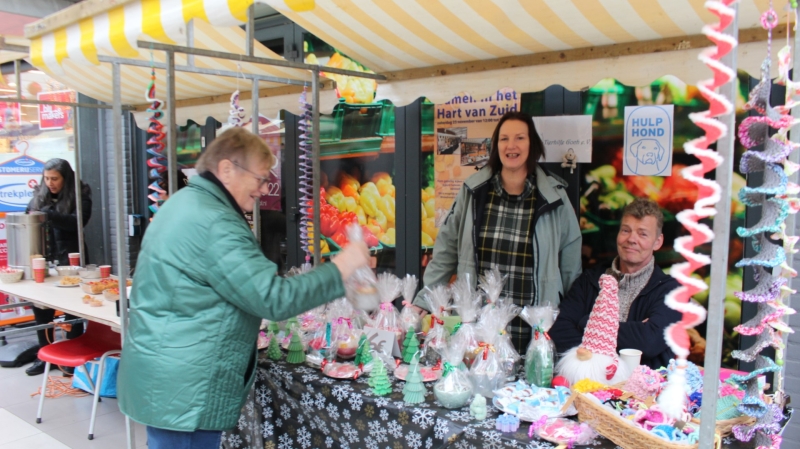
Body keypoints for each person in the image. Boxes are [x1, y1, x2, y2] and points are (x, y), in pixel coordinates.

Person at [117, 127, 370, 449]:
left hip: (170, 375)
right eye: (260, 178)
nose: (264, 189)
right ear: (226, 169)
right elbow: (274, 299)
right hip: (185, 387)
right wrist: (342, 267)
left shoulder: (185, 203)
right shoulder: (214, 222)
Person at [412, 111, 582, 352]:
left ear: (532, 144)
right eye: (504, 139)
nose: (511, 146)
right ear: (496, 146)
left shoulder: (554, 197)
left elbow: (571, 265)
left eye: (520, 138)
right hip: (479, 329)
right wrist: (424, 299)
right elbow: (446, 249)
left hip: (534, 330)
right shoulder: (473, 192)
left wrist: (571, 319)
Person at [549, 198, 681, 369]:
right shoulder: (590, 280)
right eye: (626, 230)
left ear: (658, 242)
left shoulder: (671, 292)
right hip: (588, 382)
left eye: (642, 234)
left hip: (642, 385)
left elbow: (649, 341)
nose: (631, 239)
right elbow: (558, 330)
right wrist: (631, 332)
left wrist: (587, 322)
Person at [24, 158, 92, 376]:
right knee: (41, 309)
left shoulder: (80, 196)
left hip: (70, 258)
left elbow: (77, 223)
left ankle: (72, 358)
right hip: (44, 257)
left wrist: (49, 215)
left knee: (73, 310)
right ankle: (45, 356)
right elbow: (27, 219)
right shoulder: (39, 196)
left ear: (66, 178)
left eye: (55, 178)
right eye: (46, 178)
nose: (50, 183)